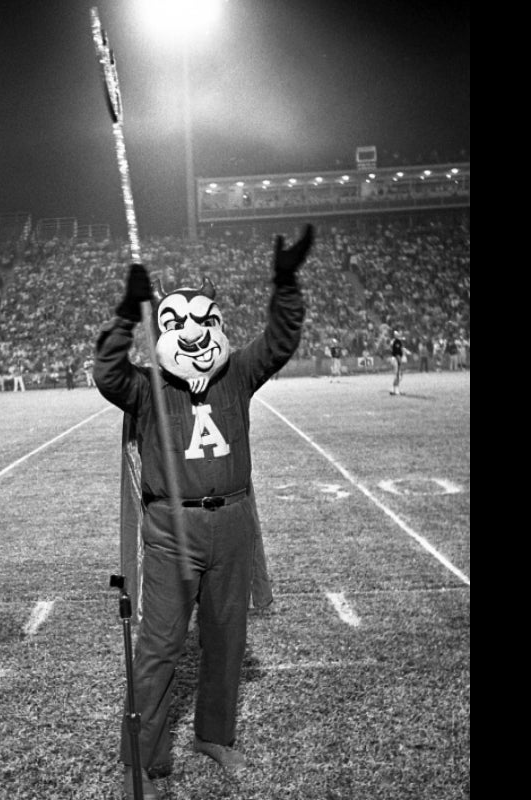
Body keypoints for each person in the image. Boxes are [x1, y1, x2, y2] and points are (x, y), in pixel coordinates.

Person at [95, 225, 314, 799]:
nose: (193, 333)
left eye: (204, 321)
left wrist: (285, 283)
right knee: (159, 647)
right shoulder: (145, 388)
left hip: (234, 523)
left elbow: (281, 340)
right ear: (159, 333)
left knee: (226, 638)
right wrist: (124, 312)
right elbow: (106, 373)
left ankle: (214, 735)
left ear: (217, 325)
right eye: (177, 323)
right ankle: (142, 759)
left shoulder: (237, 373)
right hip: (172, 530)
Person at [390, 329, 407, 395]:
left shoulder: (396, 342)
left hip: (396, 358)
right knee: (398, 375)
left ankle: (394, 389)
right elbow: (397, 352)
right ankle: (396, 391)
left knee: (399, 375)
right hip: (396, 359)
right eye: (397, 334)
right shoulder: (396, 342)